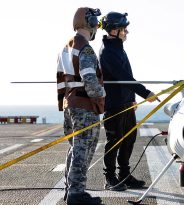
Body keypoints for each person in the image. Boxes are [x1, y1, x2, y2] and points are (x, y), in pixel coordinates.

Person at [99, 11, 159, 191]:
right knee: (114, 140)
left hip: (125, 103)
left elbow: (128, 75)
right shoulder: (108, 51)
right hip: (114, 105)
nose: (127, 32)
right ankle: (110, 178)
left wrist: (132, 99)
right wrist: (146, 93)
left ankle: (124, 174)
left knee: (129, 139)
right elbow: (123, 77)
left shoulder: (117, 47)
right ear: (115, 30)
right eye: (124, 29)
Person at [56, 7, 105, 205]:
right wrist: (102, 96)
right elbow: (89, 78)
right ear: (90, 22)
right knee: (83, 150)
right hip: (84, 106)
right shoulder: (84, 47)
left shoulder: (65, 47)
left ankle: (71, 189)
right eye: (96, 22)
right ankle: (77, 194)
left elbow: (60, 80)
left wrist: (64, 103)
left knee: (75, 149)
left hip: (70, 104)